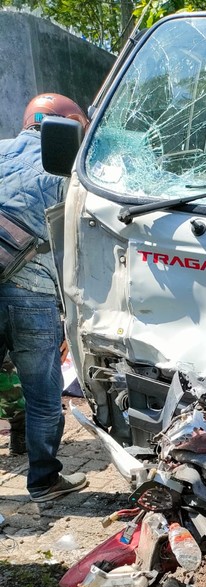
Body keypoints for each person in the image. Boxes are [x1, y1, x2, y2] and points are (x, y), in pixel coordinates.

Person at [0, 93, 89, 501]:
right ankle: (44, 482)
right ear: (70, 122)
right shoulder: (71, 163)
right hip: (32, 294)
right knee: (43, 397)